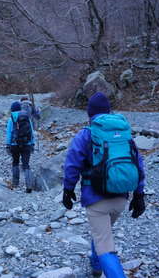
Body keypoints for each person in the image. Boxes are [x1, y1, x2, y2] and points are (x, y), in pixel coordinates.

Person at [62, 92, 146, 278]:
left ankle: (109, 270)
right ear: (108, 111)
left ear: (89, 114)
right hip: (121, 198)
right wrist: (139, 195)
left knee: (105, 243)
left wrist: (68, 190)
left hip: (96, 199)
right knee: (101, 233)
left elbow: (71, 164)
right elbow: (138, 163)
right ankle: (96, 267)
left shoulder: (87, 134)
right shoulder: (124, 133)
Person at [6, 101, 36, 193]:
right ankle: (29, 185)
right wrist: (32, 143)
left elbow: (9, 133)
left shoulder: (11, 119)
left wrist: (8, 145)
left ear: (12, 109)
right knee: (26, 164)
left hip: (15, 145)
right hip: (27, 143)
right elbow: (31, 131)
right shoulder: (27, 117)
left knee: (15, 162)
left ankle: (15, 183)